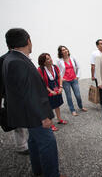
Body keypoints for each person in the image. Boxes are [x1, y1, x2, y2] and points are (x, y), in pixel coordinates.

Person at [2, 28, 63, 176]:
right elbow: (29, 93)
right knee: (48, 143)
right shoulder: (18, 62)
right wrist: (44, 116)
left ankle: (38, 170)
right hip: (34, 114)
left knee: (34, 141)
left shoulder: (7, 58)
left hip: (26, 113)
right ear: (28, 40)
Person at [1, 51, 29, 155]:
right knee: (18, 124)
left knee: (25, 121)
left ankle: (27, 143)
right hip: (12, 96)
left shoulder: (23, 57)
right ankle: (21, 147)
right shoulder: (4, 59)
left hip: (24, 95)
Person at [38, 53, 67, 131]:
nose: (50, 59)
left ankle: (59, 119)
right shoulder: (41, 70)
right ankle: (51, 124)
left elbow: (60, 77)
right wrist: (50, 91)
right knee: (49, 107)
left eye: (49, 57)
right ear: (43, 62)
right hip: (47, 90)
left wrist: (61, 87)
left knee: (57, 104)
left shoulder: (55, 67)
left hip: (56, 88)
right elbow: (42, 83)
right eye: (47, 59)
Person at [57, 45, 87, 116]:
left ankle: (81, 106)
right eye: (63, 50)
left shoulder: (73, 58)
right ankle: (72, 110)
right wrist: (61, 79)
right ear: (60, 52)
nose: (65, 51)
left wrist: (77, 76)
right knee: (69, 96)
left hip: (74, 79)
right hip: (65, 81)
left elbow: (78, 67)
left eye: (66, 49)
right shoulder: (59, 61)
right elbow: (58, 71)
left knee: (78, 95)